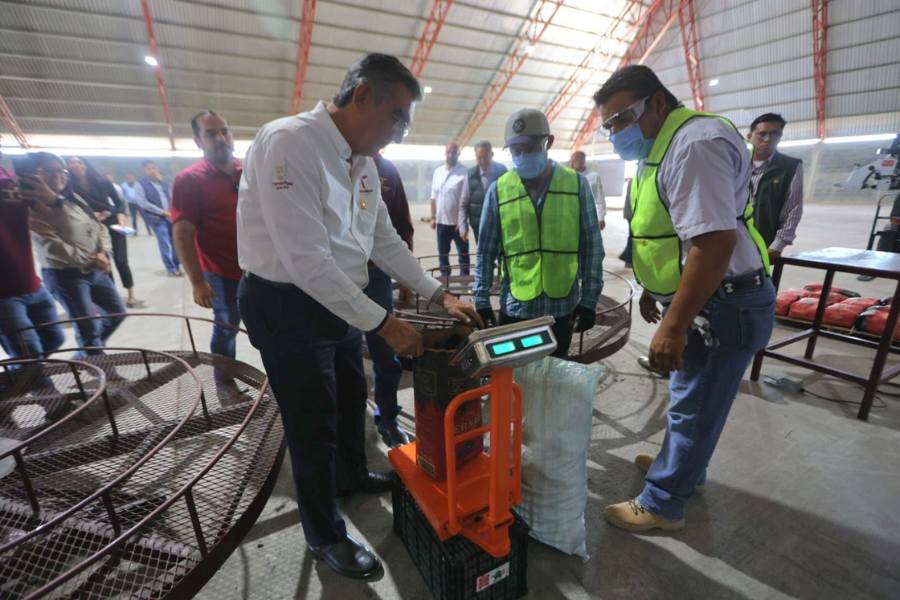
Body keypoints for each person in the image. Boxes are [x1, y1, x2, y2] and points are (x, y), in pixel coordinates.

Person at [236, 53, 482, 579]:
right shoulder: (289, 144)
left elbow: (382, 239)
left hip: (340, 302)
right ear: (362, 95)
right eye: (397, 115)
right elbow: (305, 262)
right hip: (287, 306)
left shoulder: (362, 161)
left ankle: (349, 474)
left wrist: (438, 294)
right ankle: (325, 535)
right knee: (311, 424)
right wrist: (386, 323)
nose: (400, 130)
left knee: (351, 399)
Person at [593, 65, 775, 532]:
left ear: (656, 104)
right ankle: (680, 467)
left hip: (724, 302)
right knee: (690, 396)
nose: (615, 133)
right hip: (705, 300)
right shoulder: (666, 147)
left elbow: (714, 244)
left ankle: (664, 502)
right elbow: (669, 232)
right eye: (608, 125)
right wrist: (659, 294)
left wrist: (674, 324)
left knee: (698, 401)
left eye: (620, 120)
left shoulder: (695, 144)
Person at [473, 108, 604, 358]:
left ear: (549, 142)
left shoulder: (576, 186)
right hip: (515, 310)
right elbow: (485, 251)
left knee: (552, 381)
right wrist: (481, 299)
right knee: (513, 383)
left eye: (529, 148)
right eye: (515, 150)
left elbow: (592, 248)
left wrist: (588, 301)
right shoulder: (498, 191)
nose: (522, 156)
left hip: (561, 310)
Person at [27, 152, 127, 354]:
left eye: (59, 171)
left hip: (96, 269)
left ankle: (85, 354)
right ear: (33, 175)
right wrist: (90, 259)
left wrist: (104, 253)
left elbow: (98, 227)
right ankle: (103, 372)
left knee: (116, 312)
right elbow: (52, 246)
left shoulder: (73, 199)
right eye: (47, 172)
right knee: (88, 328)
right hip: (66, 276)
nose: (56, 176)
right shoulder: (34, 208)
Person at [171, 110, 243, 369]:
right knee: (226, 329)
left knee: (267, 328)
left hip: (259, 270)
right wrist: (198, 282)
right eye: (211, 133)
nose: (221, 138)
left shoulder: (248, 171)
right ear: (198, 141)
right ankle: (225, 383)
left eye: (225, 131)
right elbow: (182, 233)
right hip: (222, 275)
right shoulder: (189, 180)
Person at [364, 153, 415, 448]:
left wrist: (406, 276)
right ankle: (346, 419)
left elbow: (401, 225)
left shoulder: (387, 171)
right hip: (337, 279)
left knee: (385, 354)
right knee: (341, 355)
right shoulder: (331, 161)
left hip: (377, 277)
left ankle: (387, 417)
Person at [0, 142, 65, 360]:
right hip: (3, 296)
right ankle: (38, 386)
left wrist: (53, 199)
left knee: (55, 339)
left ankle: (18, 380)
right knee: (30, 355)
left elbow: (52, 218)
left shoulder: (11, 179)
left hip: (31, 283)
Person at [67, 156, 137, 308]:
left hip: (112, 224)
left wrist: (121, 220)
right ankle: (113, 297)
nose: (76, 165)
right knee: (104, 263)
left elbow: (119, 204)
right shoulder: (70, 187)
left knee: (121, 260)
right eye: (72, 163)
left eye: (79, 162)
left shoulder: (102, 182)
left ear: (85, 165)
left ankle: (130, 294)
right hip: (91, 229)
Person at [747, 112, 803, 264]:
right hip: (732, 241)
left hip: (764, 243)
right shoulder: (734, 165)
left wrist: (777, 245)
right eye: (762, 134)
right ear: (749, 136)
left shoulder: (790, 166)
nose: (768, 139)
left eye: (775, 134)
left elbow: (793, 208)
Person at [134, 160, 182, 276]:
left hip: (171, 217)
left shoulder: (164, 183)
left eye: (154, 168)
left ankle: (176, 265)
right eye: (149, 168)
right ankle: (170, 268)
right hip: (157, 219)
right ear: (145, 170)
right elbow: (143, 203)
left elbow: (172, 196)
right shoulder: (140, 184)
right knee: (164, 243)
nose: (153, 170)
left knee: (176, 242)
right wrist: (162, 212)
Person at [431, 141, 470, 278]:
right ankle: (445, 281)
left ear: (458, 154)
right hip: (442, 223)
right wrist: (433, 217)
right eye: (448, 152)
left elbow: (466, 200)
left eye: (453, 152)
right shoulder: (438, 172)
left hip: (459, 224)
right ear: (445, 153)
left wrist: (464, 222)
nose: (450, 155)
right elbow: (433, 196)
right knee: (443, 254)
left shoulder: (464, 172)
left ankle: (465, 281)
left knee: (463, 255)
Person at [467, 140, 506, 242]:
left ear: (492, 155)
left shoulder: (502, 171)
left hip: (498, 223)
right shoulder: (470, 174)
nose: (483, 161)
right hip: (478, 225)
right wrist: (463, 224)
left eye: (486, 157)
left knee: (500, 254)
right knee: (482, 255)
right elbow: (464, 201)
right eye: (479, 158)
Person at [570, 150, 607, 230]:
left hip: (589, 217)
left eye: (575, 161)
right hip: (572, 218)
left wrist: (601, 217)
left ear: (583, 161)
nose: (572, 164)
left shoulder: (594, 177)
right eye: (571, 161)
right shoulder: (569, 178)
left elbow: (600, 199)